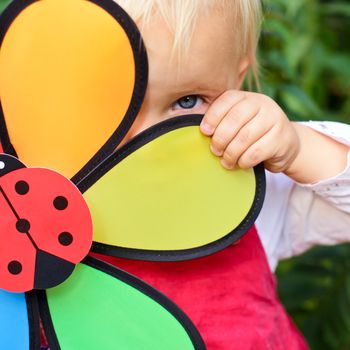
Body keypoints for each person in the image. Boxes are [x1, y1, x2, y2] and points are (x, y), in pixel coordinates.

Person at [100, 0, 350, 348]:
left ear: (238, 81)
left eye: (188, 101)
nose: (145, 139)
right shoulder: (22, 192)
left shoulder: (242, 185)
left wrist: (299, 149)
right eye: (105, 100)